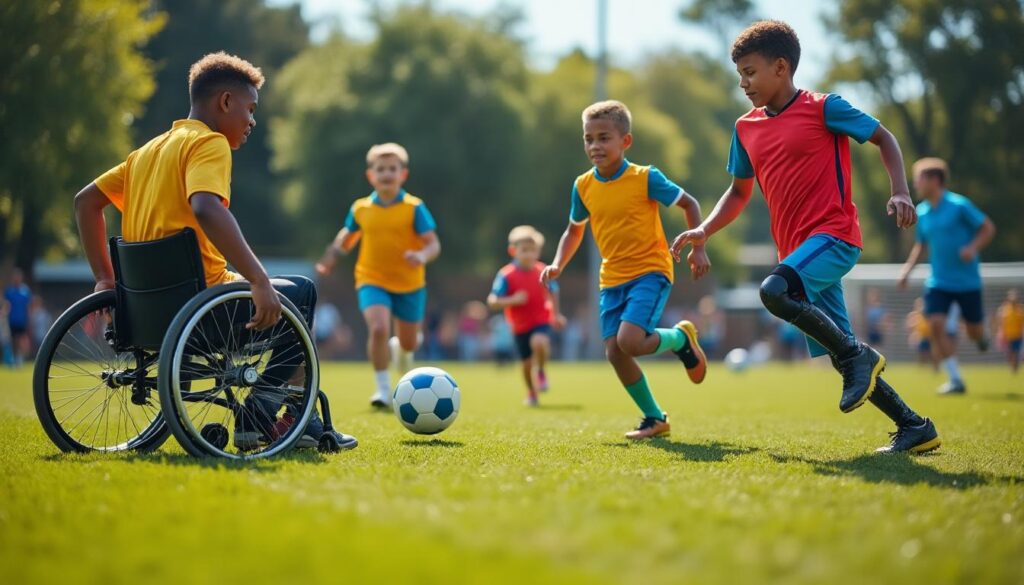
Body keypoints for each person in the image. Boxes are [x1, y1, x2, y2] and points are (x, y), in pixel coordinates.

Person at [672, 20, 938, 453]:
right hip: (798, 253)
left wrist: (901, 191)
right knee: (842, 353)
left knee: (774, 291)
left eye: (750, 72)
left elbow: (883, 138)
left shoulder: (823, 107)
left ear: (781, 67)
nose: (743, 83)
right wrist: (704, 229)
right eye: (739, 74)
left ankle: (859, 357)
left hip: (835, 236)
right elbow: (739, 192)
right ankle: (914, 426)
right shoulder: (745, 128)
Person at [73, 52, 356, 451]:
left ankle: (281, 415)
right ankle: (264, 412)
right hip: (204, 308)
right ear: (225, 102)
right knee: (303, 292)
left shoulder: (145, 154)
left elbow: (85, 202)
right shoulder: (209, 144)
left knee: (288, 287)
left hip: (146, 312)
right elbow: (205, 207)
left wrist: (105, 278)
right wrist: (258, 279)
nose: (253, 121)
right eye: (251, 109)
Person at [542, 100, 710, 440]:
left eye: (604, 138)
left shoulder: (645, 177)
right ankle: (654, 417)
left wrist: (699, 246)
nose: (595, 146)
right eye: (588, 139)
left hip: (651, 269)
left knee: (630, 341)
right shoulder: (583, 186)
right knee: (615, 352)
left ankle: (679, 338)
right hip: (611, 279)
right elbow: (574, 229)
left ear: (625, 142)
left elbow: (689, 203)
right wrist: (558, 263)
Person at [316, 143, 440, 408]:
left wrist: (421, 256)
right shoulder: (361, 208)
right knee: (379, 327)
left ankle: (402, 352)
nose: (386, 174)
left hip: (410, 283)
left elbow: (433, 244)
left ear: (402, 174)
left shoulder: (414, 207)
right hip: (372, 279)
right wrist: (332, 256)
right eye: (380, 169)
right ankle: (383, 389)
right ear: (370, 175)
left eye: (392, 169)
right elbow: (347, 236)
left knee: (408, 342)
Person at [898, 157, 996, 395]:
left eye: (919, 178)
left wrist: (972, 248)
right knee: (935, 324)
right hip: (938, 282)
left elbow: (988, 228)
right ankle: (955, 379)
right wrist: (907, 270)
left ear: (934, 180)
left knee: (974, 331)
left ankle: (982, 335)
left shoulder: (960, 205)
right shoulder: (922, 212)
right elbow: (921, 246)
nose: (915, 184)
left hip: (967, 281)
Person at [487, 225, 567, 406]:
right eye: (524, 250)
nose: (529, 255)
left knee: (539, 341)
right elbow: (492, 301)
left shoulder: (542, 271)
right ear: (513, 251)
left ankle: (541, 372)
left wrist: (556, 315)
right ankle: (531, 391)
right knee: (525, 364)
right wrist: (512, 300)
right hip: (519, 325)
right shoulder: (506, 275)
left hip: (541, 319)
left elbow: (553, 291)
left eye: (533, 250)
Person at [3, 269, 32, 367]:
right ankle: (14, 359)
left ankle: (20, 358)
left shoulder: (25, 291)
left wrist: (29, 319)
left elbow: (28, 306)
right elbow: (6, 305)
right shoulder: (9, 291)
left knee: (21, 339)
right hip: (12, 320)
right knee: (13, 340)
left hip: (22, 320)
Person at [995, 289, 1023, 374]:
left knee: (1015, 353)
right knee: (1010, 354)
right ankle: (1013, 367)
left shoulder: (1020, 310)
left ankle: (1015, 369)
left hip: (1017, 336)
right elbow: (1000, 322)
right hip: (1007, 336)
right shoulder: (1004, 309)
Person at [906, 297, 937, 370]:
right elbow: (910, 326)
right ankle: (922, 368)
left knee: (932, 354)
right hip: (921, 337)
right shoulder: (915, 315)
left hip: (930, 337)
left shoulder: (928, 314)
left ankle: (934, 368)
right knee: (922, 354)